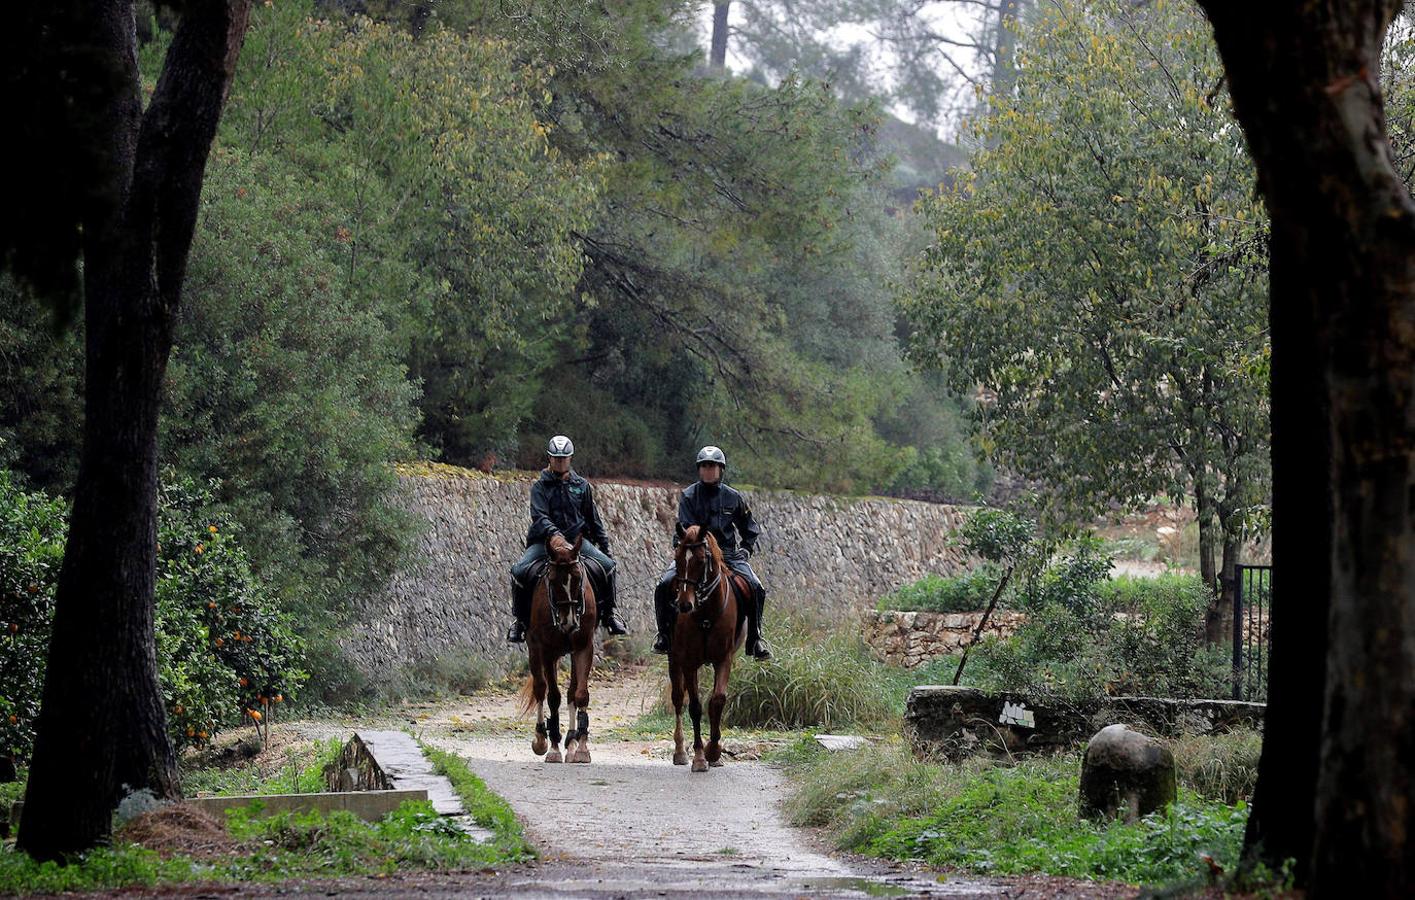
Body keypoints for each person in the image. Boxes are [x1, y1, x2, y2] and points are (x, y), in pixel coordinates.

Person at [652, 446, 772, 660]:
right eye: (705, 466)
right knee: (663, 584)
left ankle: (755, 640)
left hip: (728, 555)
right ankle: (663, 636)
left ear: (721, 470)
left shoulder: (733, 497)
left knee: (756, 587)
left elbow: (750, 528)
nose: (709, 470)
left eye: (713, 466)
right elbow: (685, 527)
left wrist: (745, 549)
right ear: (699, 469)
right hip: (696, 555)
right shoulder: (689, 496)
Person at [507, 435, 628, 642]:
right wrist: (554, 534)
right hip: (545, 543)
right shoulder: (539, 488)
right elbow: (539, 516)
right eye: (556, 458)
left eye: (564, 458)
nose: (560, 461)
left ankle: (609, 614)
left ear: (570, 459)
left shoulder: (582, 486)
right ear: (549, 458)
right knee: (518, 571)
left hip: (577, 543)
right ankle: (520, 621)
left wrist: (605, 547)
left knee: (608, 566)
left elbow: (593, 519)